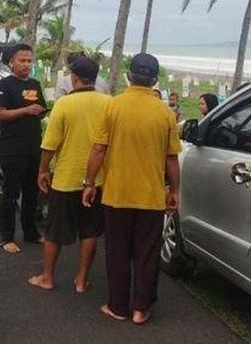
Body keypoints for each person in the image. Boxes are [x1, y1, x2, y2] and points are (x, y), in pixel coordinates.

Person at [83, 53, 182, 325]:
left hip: (117, 195)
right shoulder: (165, 112)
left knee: (117, 252)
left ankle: (118, 306)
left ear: (129, 75)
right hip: (151, 197)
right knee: (147, 253)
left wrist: (89, 183)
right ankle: (141, 308)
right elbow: (171, 158)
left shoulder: (113, 106)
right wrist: (174, 190)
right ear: (154, 80)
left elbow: (98, 149)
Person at [28, 56, 110, 292]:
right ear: (95, 78)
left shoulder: (64, 104)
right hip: (96, 179)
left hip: (65, 177)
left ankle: (47, 277)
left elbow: (50, 144)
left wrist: (43, 169)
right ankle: (81, 280)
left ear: (73, 78)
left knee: (54, 231)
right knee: (90, 231)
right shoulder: (108, 102)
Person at [0, 43, 47, 254]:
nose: (26, 65)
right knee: (10, 193)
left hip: (34, 146)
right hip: (12, 147)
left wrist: (40, 111)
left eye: (29, 61)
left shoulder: (35, 84)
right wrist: (26, 110)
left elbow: (40, 109)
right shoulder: (3, 85)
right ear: (11, 62)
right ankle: (7, 237)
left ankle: (31, 232)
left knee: (32, 193)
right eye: (21, 61)